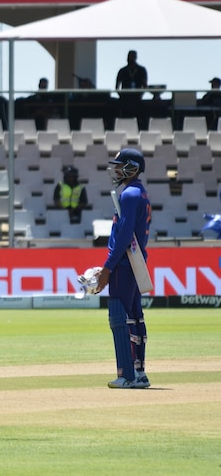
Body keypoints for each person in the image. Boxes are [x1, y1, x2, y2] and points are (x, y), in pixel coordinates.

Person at [96, 148, 151, 389]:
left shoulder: (129, 194)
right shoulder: (139, 193)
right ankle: (139, 373)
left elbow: (125, 236)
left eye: (120, 166)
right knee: (135, 316)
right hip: (137, 262)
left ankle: (126, 375)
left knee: (119, 317)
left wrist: (108, 268)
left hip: (125, 263)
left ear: (132, 168)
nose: (116, 170)